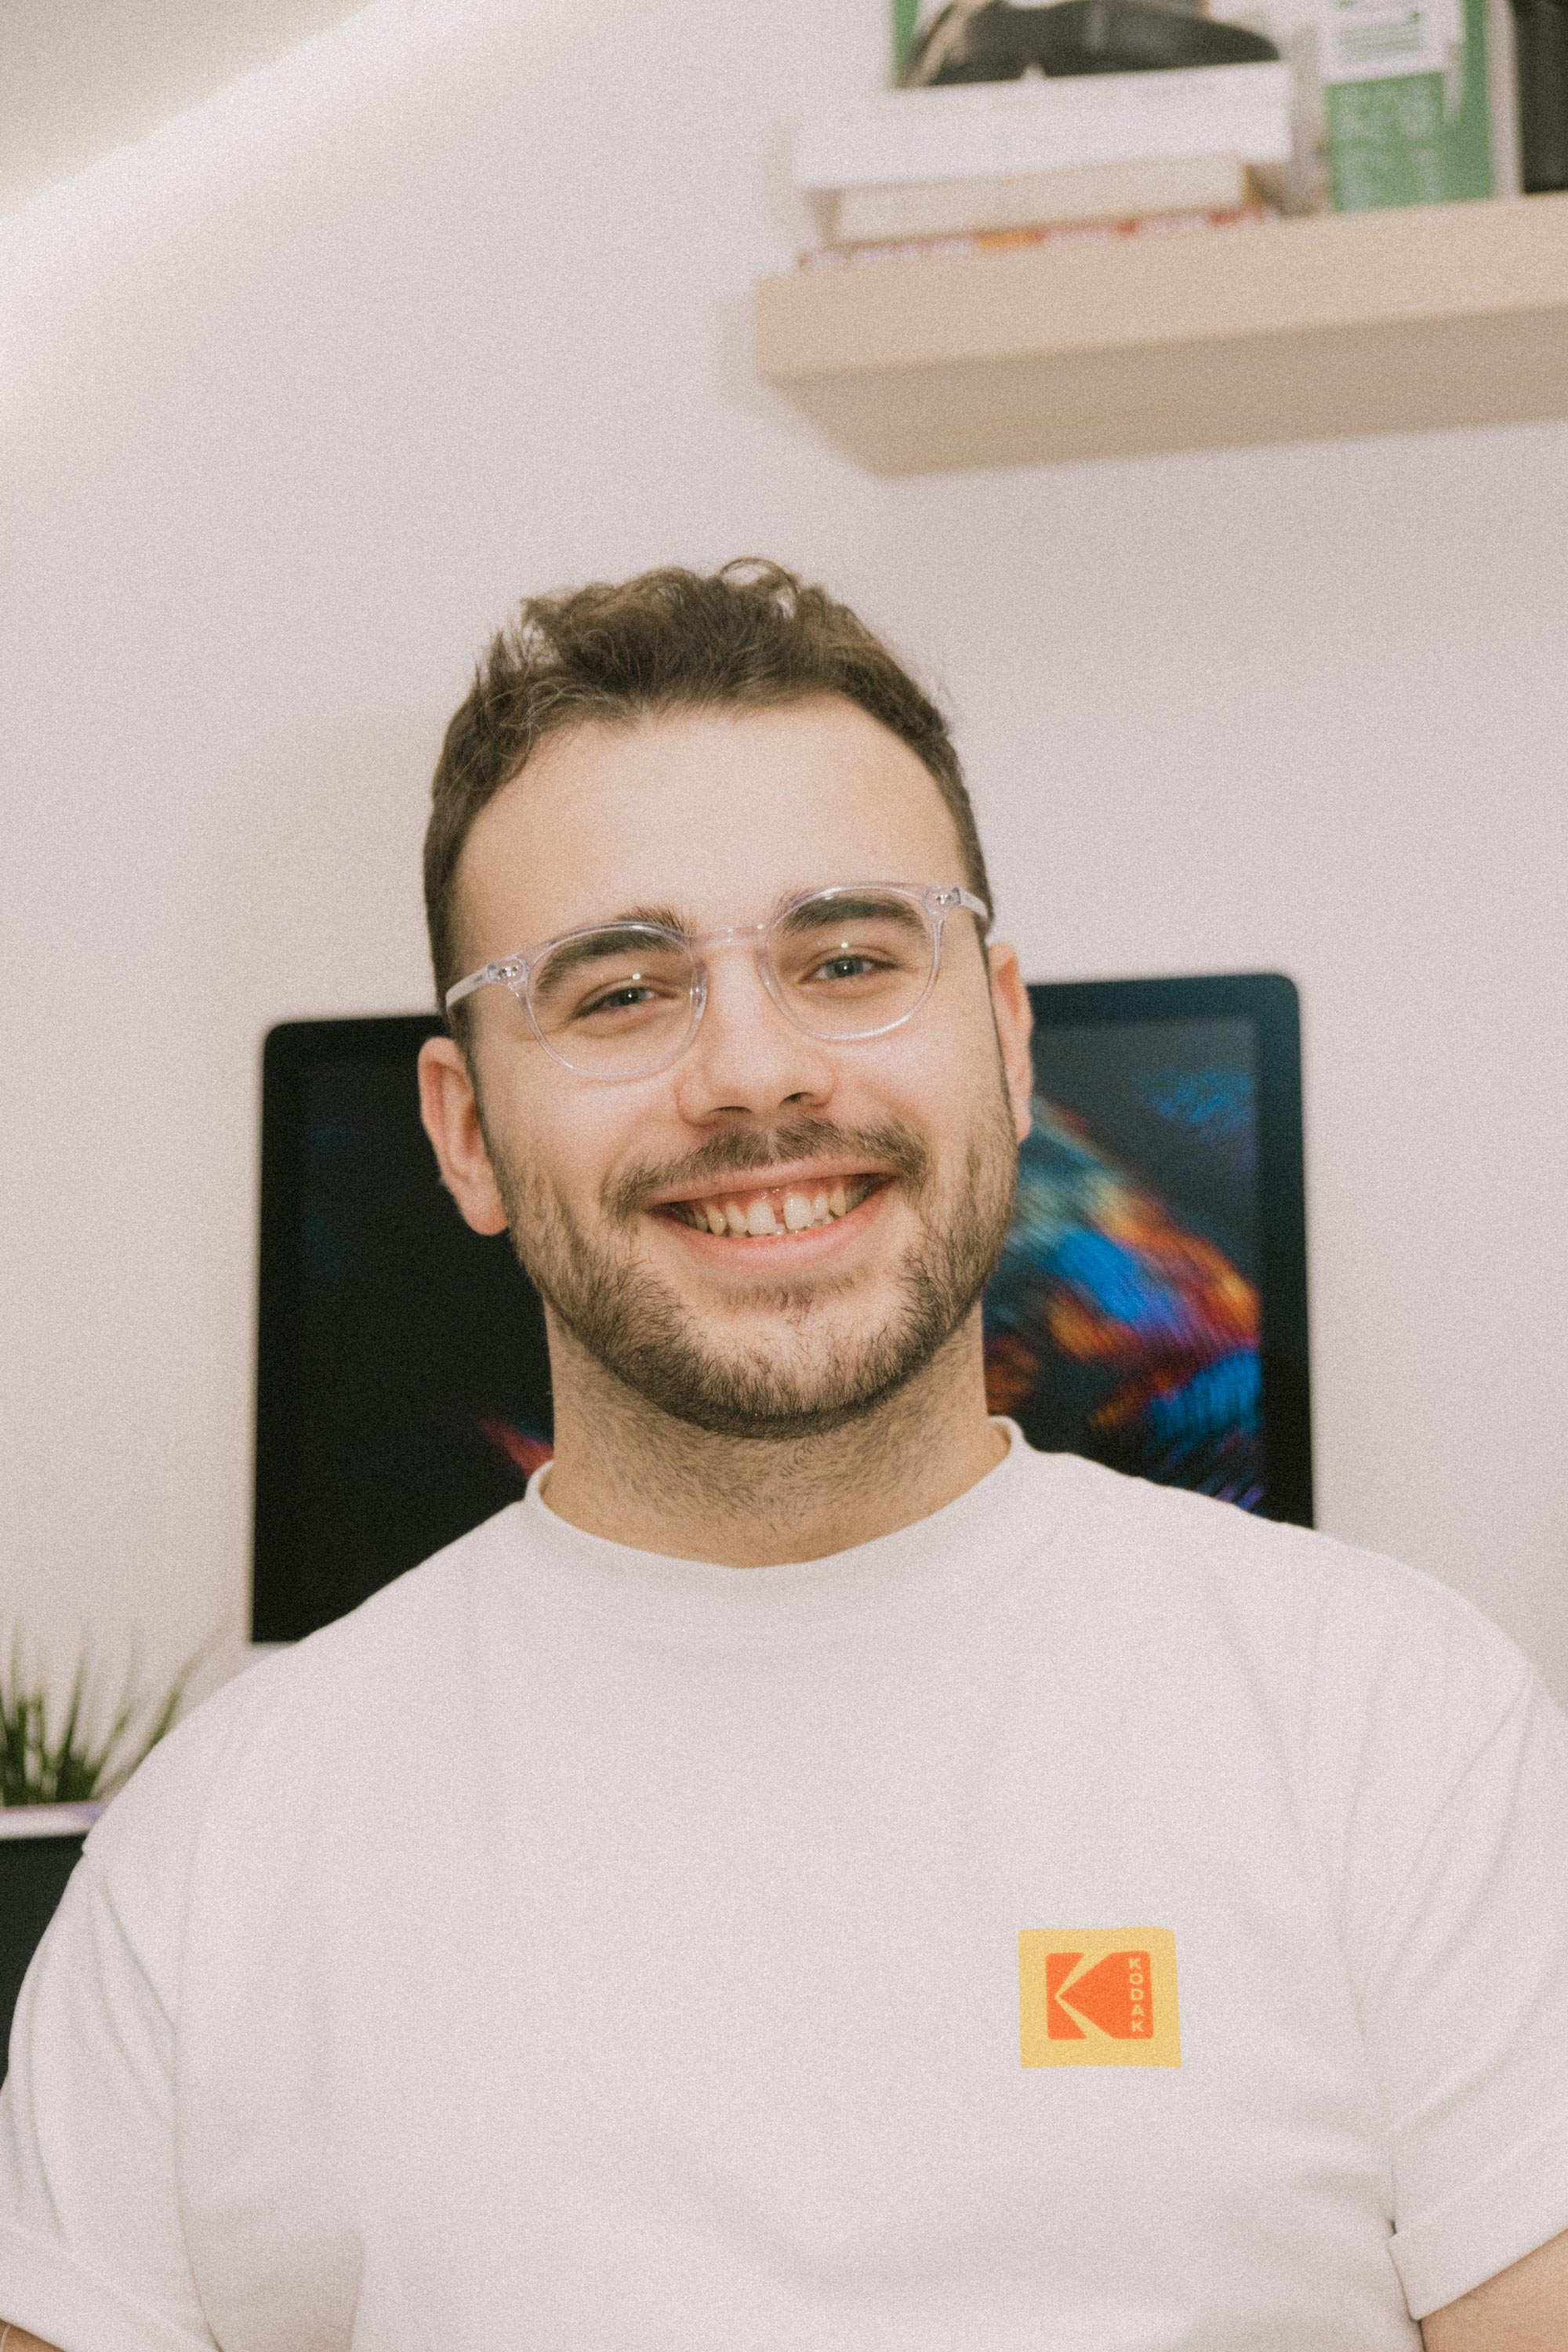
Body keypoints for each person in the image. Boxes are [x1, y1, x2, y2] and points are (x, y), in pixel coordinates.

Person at [2, 561, 1566, 2352]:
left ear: (1004, 1030)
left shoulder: (1394, 1731)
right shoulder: (216, 1860)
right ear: (464, 1132)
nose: (752, 1073)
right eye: (616, 991)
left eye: (844, 959)